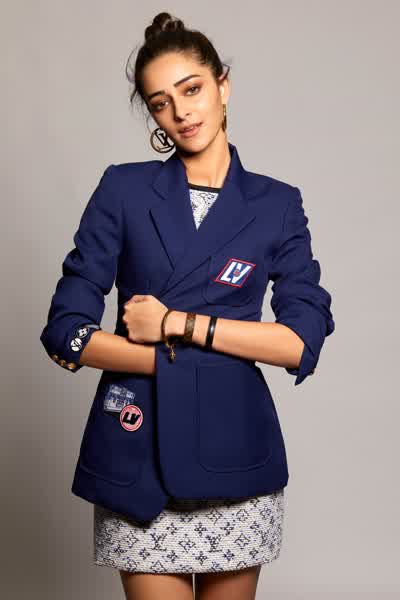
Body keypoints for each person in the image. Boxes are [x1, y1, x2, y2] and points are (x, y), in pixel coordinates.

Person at [40, 11, 335, 600]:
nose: (181, 112)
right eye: (160, 103)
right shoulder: (123, 189)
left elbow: (300, 342)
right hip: (138, 452)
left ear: (223, 85)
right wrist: (172, 365)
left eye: (192, 89)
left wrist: (176, 324)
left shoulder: (277, 205)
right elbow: (65, 330)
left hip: (235, 450)